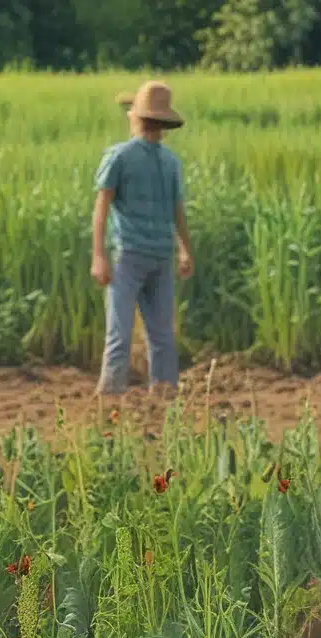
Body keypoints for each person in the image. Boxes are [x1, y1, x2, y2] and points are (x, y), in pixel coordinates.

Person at [91, 81, 194, 403]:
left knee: (118, 334)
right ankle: (165, 397)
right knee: (161, 334)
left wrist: (99, 256)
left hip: (129, 256)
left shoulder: (118, 156)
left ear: (135, 117)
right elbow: (178, 212)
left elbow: (102, 208)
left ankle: (110, 399)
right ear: (163, 123)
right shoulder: (172, 162)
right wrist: (185, 249)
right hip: (161, 254)